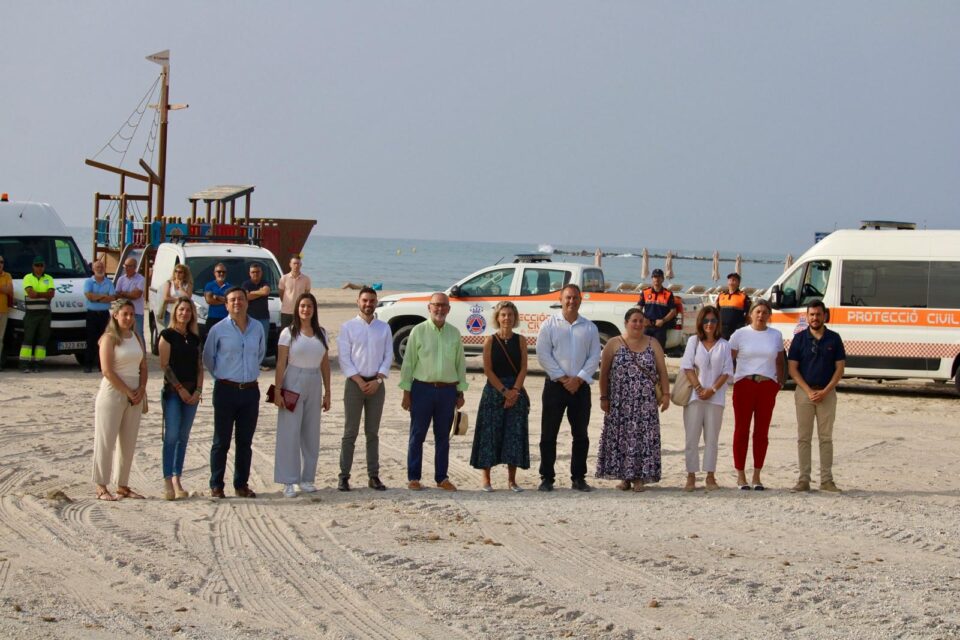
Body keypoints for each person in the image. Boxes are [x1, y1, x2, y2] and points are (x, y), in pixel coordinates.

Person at [596, 308, 670, 491]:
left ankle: (639, 478)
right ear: (626, 323)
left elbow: (663, 371)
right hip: (620, 402)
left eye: (641, 321)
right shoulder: (613, 343)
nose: (638, 324)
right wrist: (604, 397)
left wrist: (666, 395)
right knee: (621, 439)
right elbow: (603, 374)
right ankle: (625, 478)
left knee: (642, 439)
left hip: (645, 404)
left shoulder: (653, 343)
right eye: (634, 321)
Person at [399, 292, 467, 491]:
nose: (440, 309)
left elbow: (460, 364)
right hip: (422, 389)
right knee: (417, 435)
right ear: (429, 307)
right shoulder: (418, 331)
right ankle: (414, 477)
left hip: (447, 391)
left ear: (449, 309)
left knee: (443, 437)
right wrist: (406, 392)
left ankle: (441, 478)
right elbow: (408, 363)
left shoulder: (454, 333)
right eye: (436, 305)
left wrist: (460, 392)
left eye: (444, 305)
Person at [536, 284, 602, 492]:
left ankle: (578, 478)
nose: (571, 301)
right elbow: (543, 355)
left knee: (580, 435)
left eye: (575, 298)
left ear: (580, 300)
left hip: (580, 389)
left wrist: (579, 379)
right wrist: (564, 379)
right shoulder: (549, 325)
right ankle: (547, 478)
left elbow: (594, 357)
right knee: (549, 434)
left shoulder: (590, 328)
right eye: (568, 298)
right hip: (555, 386)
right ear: (561, 299)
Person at [202, 287, 266, 499]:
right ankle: (216, 485)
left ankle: (241, 485)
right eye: (232, 300)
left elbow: (260, 353)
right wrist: (224, 375)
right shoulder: (218, 329)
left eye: (240, 299)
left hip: (250, 391)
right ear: (226, 305)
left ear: (247, 302)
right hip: (225, 390)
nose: (237, 302)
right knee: (221, 441)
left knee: (245, 442)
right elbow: (208, 358)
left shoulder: (257, 327)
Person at [274, 293, 331, 498]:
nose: (305, 310)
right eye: (302, 306)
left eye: (309, 306)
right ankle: (288, 480)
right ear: (297, 309)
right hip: (293, 381)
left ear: (314, 310)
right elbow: (281, 363)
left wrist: (328, 392)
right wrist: (277, 390)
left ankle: (307, 478)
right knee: (289, 431)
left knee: (311, 432)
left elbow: (325, 363)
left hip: (314, 381)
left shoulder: (322, 333)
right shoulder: (288, 333)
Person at [470, 300, 530, 492]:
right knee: (489, 435)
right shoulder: (490, 340)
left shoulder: (521, 340)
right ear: (497, 318)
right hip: (494, 392)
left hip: (516, 390)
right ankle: (486, 479)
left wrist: (515, 392)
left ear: (515, 318)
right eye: (503, 315)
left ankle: (512, 480)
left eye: (510, 315)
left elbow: (524, 368)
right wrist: (505, 392)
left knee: (514, 435)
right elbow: (487, 370)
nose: (507, 318)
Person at [337, 287, 392, 491]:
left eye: (372, 301)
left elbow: (388, 355)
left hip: (377, 385)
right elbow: (344, 358)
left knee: (372, 433)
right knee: (350, 432)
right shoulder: (348, 327)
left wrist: (378, 380)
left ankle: (373, 476)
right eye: (365, 300)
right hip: (354, 384)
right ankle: (344, 476)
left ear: (376, 302)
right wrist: (360, 382)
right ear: (358, 301)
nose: (368, 304)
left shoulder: (384, 328)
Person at [91, 299, 148, 501]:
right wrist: (128, 392)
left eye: (131, 314)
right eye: (125, 314)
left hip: (135, 393)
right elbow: (107, 370)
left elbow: (143, 366)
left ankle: (122, 485)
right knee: (106, 440)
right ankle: (101, 485)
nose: (129, 318)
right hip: (113, 392)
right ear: (115, 315)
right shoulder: (109, 338)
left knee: (128, 441)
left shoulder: (136, 336)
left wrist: (141, 389)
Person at [788, 300, 846, 493]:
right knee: (803, 438)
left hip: (827, 394)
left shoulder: (834, 339)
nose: (815, 318)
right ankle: (803, 480)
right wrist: (808, 390)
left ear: (825, 315)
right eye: (811, 314)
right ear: (807, 316)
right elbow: (792, 368)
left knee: (826, 438)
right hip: (804, 394)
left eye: (818, 314)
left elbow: (840, 368)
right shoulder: (799, 339)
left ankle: (827, 481)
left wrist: (826, 391)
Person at [729, 299, 785, 491]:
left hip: (767, 386)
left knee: (762, 433)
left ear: (769, 315)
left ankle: (757, 475)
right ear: (751, 314)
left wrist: (779, 382)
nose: (761, 315)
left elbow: (780, 360)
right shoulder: (739, 334)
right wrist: (732, 379)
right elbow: (728, 360)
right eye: (758, 311)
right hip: (744, 385)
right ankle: (741, 475)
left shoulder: (775, 335)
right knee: (741, 431)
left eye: (765, 312)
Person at [679, 305, 734, 492]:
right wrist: (699, 388)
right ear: (700, 322)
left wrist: (712, 389)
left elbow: (727, 371)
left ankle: (710, 475)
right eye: (706, 320)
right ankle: (691, 475)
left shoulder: (724, 345)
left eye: (713, 320)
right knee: (691, 438)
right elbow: (687, 367)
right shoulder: (693, 341)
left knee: (712, 439)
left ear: (718, 323)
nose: (709, 324)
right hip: (694, 398)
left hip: (716, 399)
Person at [158, 297, 203, 501]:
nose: (184, 313)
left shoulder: (194, 338)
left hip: (192, 392)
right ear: (175, 312)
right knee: (172, 435)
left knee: (183, 436)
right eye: (181, 309)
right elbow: (165, 366)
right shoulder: (167, 335)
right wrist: (180, 389)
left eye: (188, 310)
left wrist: (198, 390)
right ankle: (167, 479)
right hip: (173, 393)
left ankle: (177, 478)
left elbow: (199, 366)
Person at [20, 256, 55, 373]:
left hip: (45, 314)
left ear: (44, 266)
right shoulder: (27, 277)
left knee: (42, 340)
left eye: (41, 265)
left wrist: (38, 294)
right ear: (33, 266)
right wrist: (44, 294)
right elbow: (31, 294)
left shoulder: (49, 278)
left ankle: (38, 364)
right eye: (37, 265)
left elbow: (51, 294)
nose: (39, 268)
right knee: (28, 339)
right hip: (31, 314)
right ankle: (24, 364)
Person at [82, 260, 116, 373]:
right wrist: (103, 297)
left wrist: (96, 297)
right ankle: (88, 365)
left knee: (104, 340)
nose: (100, 269)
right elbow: (89, 296)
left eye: (101, 267)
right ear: (93, 269)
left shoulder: (109, 282)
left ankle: (101, 365)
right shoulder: (88, 282)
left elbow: (112, 297)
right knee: (91, 340)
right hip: (91, 314)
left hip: (104, 315)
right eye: (97, 267)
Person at [241, 262, 272, 368]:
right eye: (253, 272)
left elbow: (266, 292)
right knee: (250, 340)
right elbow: (246, 297)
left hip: (264, 317)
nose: (255, 274)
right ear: (249, 273)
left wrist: (252, 293)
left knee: (262, 341)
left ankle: (260, 363)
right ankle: (250, 362)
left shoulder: (265, 282)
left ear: (261, 273)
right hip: (250, 317)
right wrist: (259, 292)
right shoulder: (246, 284)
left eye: (257, 272)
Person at [637, 268, 677, 349]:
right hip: (647, 326)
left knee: (658, 351)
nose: (656, 279)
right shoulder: (645, 292)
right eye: (655, 277)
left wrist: (663, 320)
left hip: (660, 327)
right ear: (652, 278)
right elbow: (639, 309)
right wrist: (643, 319)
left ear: (663, 279)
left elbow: (673, 311)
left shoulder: (668, 294)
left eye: (659, 277)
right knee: (642, 349)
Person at [115, 257, 146, 341]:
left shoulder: (141, 279)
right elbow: (117, 295)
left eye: (129, 266)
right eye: (125, 266)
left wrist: (123, 293)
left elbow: (136, 295)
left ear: (135, 267)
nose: (126, 268)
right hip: (123, 312)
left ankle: (141, 349)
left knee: (138, 334)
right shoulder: (121, 279)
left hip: (137, 312)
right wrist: (129, 294)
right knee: (122, 333)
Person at [278, 255, 311, 331]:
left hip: (300, 312)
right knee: (285, 333)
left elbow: (306, 295)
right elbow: (281, 294)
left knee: (299, 333)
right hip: (286, 312)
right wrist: (287, 303)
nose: (296, 266)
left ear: (301, 265)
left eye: (298, 263)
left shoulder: (306, 279)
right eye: (294, 263)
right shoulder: (284, 278)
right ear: (290, 264)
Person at [717, 273, 749, 341]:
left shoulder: (743, 296)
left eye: (734, 280)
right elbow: (716, 312)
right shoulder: (721, 295)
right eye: (730, 280)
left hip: (736, 330)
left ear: (738, 283)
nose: (731, 282)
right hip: (722, 330)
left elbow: (749, 314)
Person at [202, 263, 231, 337]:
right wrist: (225, 300)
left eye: (223, 272)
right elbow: (209, 300)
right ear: (214, 273)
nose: (221, 273)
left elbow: (230, 301)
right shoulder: (209, 285)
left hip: (226, 318)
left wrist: (217, 297)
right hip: (212, 318)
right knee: (210, 339)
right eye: (219, 272)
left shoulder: (230, 287)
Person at [0, 254, 14, 370]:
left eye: (2, 262)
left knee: (0, 338)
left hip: (3, 311)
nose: (0, 264)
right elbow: (5, 289)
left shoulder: (7, 275)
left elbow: (9, 290)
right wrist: (3, 288)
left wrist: (5, 289)